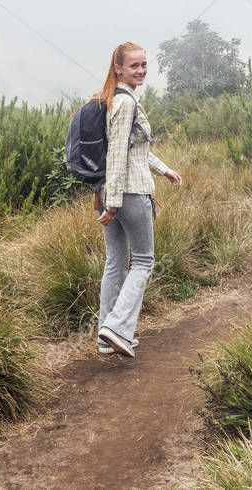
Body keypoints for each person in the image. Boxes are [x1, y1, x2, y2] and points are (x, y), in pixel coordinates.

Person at [94, 42, 182, 357]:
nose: (141, 70)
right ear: (118, 68)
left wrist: (164, 169)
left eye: (144, 65)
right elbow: (117, 153)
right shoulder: (126, 103)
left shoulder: (112, 99)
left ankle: (106, 336)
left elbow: (135, 150)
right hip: (127, 193)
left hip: (111, 190)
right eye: (135, 66)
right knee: (143, 261)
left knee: (116, 261)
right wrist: (114, 202)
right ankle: (117, 328)